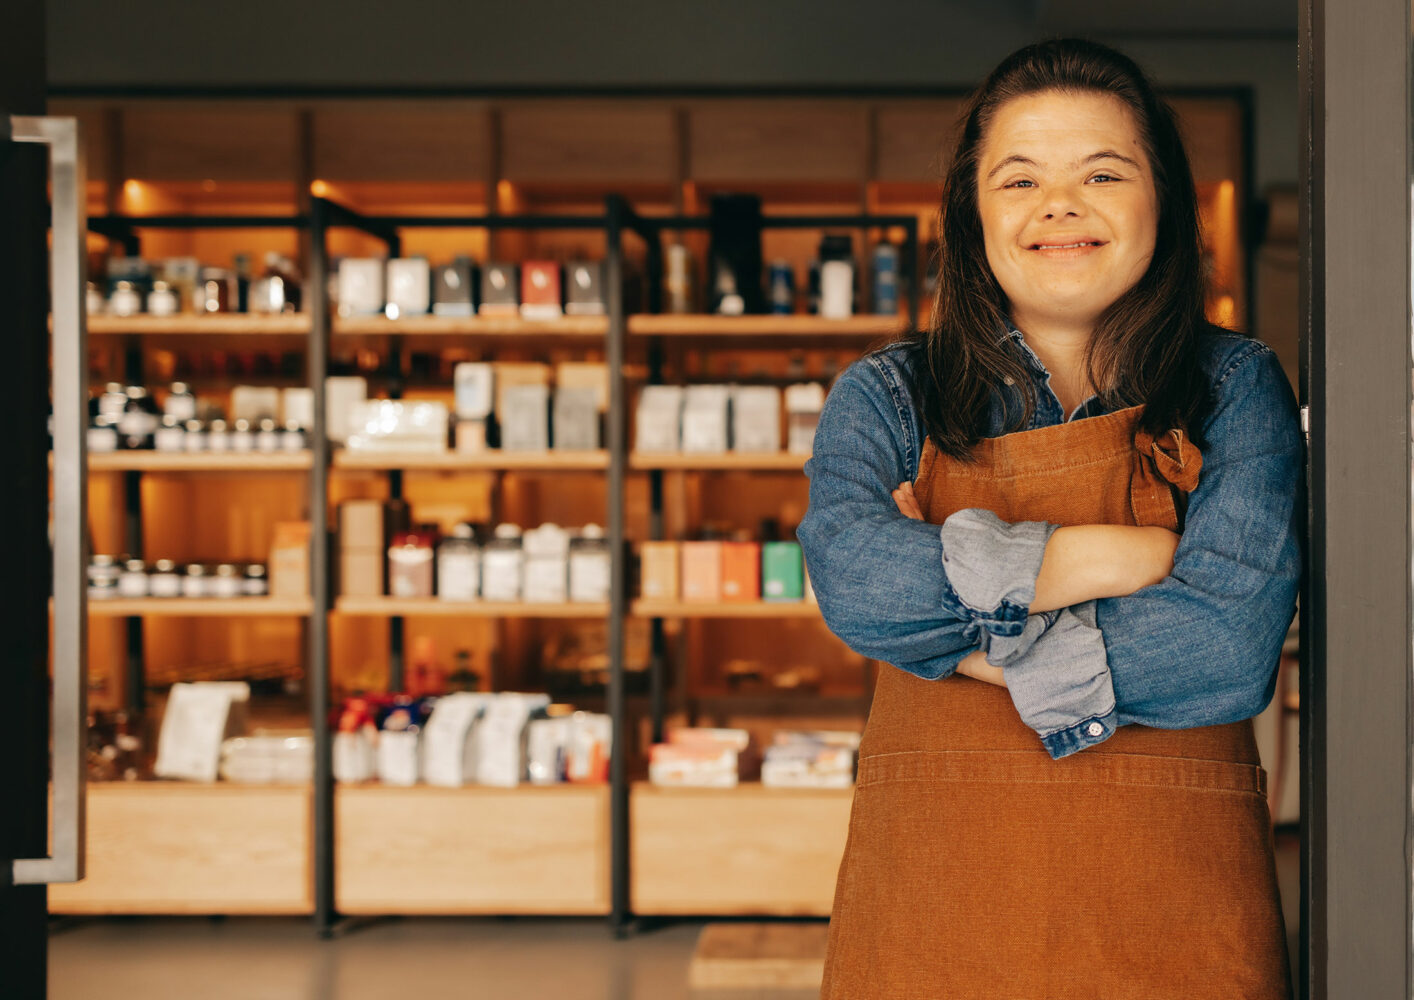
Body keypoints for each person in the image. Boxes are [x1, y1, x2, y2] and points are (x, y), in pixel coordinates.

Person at [797, 38, 1300, 999]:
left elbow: (1228, 647)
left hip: (1175, 920)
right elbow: (857, 583)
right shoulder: (891, 395)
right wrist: (1123, 556)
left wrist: (981, 645)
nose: (1059, 206)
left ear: (1166, 202)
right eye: (1018, 179)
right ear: (973, 214)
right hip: (935, 914)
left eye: (1102, 172)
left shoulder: (1235, 386)